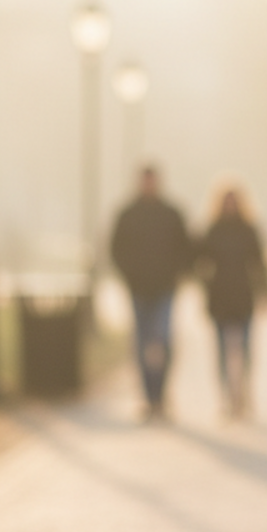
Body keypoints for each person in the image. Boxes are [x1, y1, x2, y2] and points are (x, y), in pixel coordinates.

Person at [110, 166, 192, 420]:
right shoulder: (127, 214)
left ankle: (161, 395)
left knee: (163, 340)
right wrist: (128, 275)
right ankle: (148, 398)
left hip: (165, 288)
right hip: (138, 288)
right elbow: (115, 248)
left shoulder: (171, 213)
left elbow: (186, 247)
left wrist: (177, 274)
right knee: (142, 343)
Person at [196, 185, 267, 418]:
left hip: (244, 295)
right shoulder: (212, 230)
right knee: (221, 351)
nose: (230, 205)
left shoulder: (249, 230)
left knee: (245, 350)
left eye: (234, 200)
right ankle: (227, 398)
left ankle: (243, 394)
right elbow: (199, 262)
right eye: (226, 201)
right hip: (218, 296)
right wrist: (204, 285)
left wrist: (265, 292)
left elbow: (260, 263)